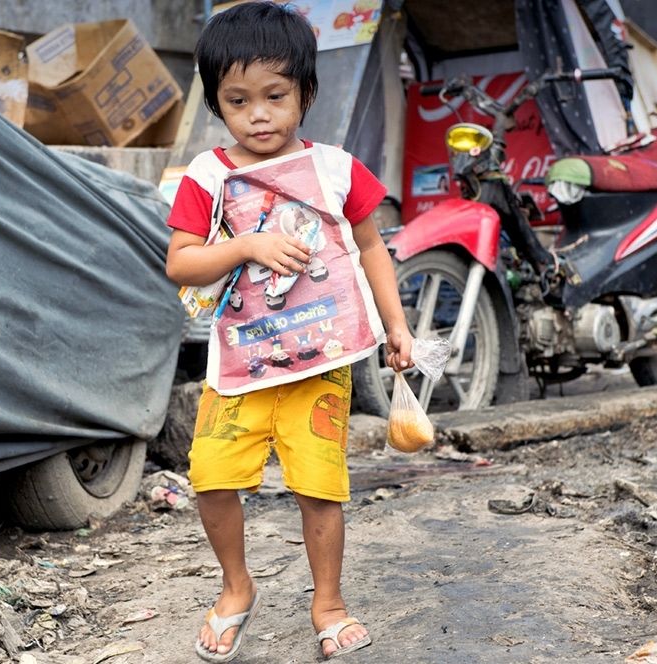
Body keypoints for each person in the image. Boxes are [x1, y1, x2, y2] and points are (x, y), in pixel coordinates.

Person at [164, 3, 413, 661]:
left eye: (275, 95)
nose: (259, 114)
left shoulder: (335, 169)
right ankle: (236, 588)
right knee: (210, 477)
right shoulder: (209, 176)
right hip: (239, 367)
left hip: (318, 365)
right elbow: (180, 262)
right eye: (237, 100)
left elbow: (371, 248)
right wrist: (247, 245)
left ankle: (327, 603)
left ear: (305, 90)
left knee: (320, 488)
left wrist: (397, 325)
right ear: (217, 103)